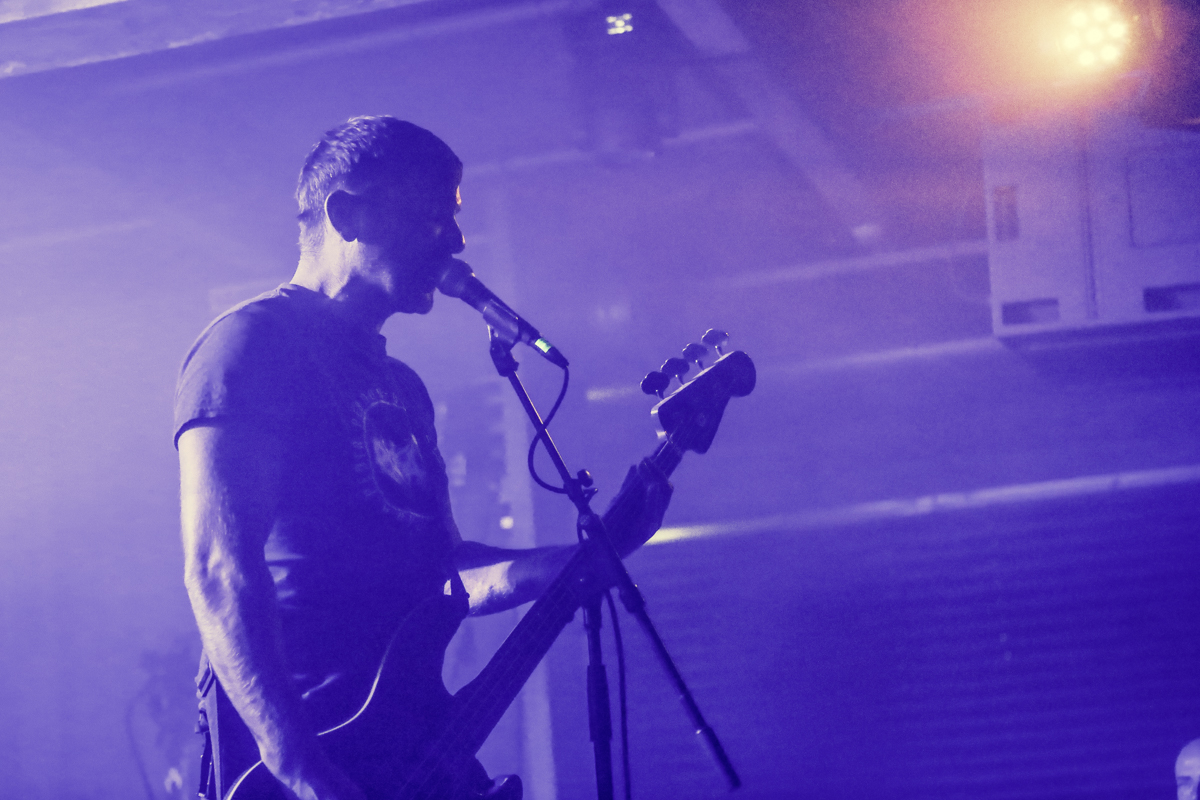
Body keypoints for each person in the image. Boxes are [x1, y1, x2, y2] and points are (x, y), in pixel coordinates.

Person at [175, 116, 671, 800]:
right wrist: (298, 764)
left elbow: (445, 573)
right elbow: (218, 566)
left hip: (409, 745)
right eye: (434, 215)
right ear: (347, 215)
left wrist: (582, 559)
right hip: (312, 752)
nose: (457, 241)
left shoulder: (401, 387)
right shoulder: (250, 347)